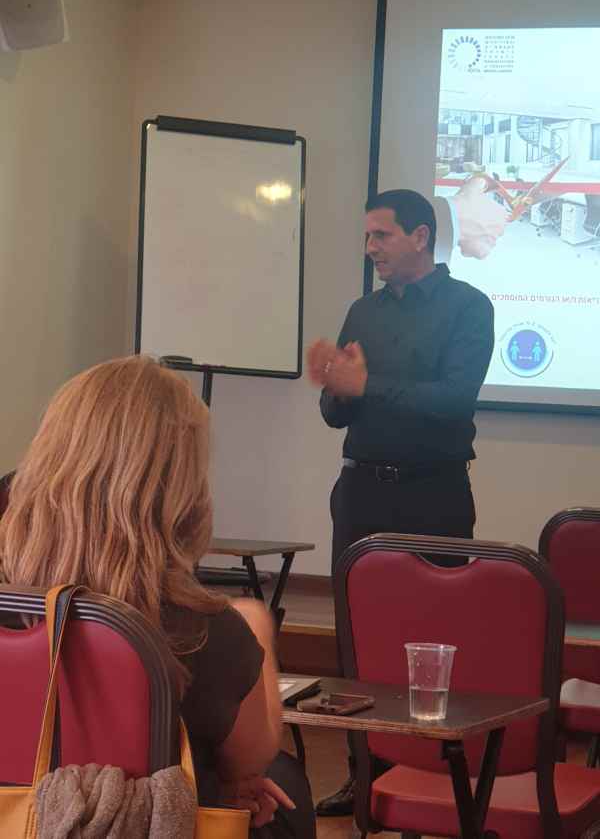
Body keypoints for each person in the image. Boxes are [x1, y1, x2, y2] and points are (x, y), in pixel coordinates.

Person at [0, 356, 315, 839]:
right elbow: (250, 760)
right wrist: (258, 628)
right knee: (281, 786)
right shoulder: (207, 630)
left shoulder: (11, 605)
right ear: (181, 488)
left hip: (21, 817)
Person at [307, 189, 494, 816]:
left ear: (420, 237)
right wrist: (336, 388)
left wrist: (367, 384)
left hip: (433, 493)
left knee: (434, 635)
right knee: (358, 638)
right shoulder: (362, 311)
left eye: (381, 236)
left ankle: (432, 775)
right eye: (367, 237)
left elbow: (455, 400)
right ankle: (365, 776)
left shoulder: (469, 307)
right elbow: (336, 414)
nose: (371, 248)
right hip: (360, 492)